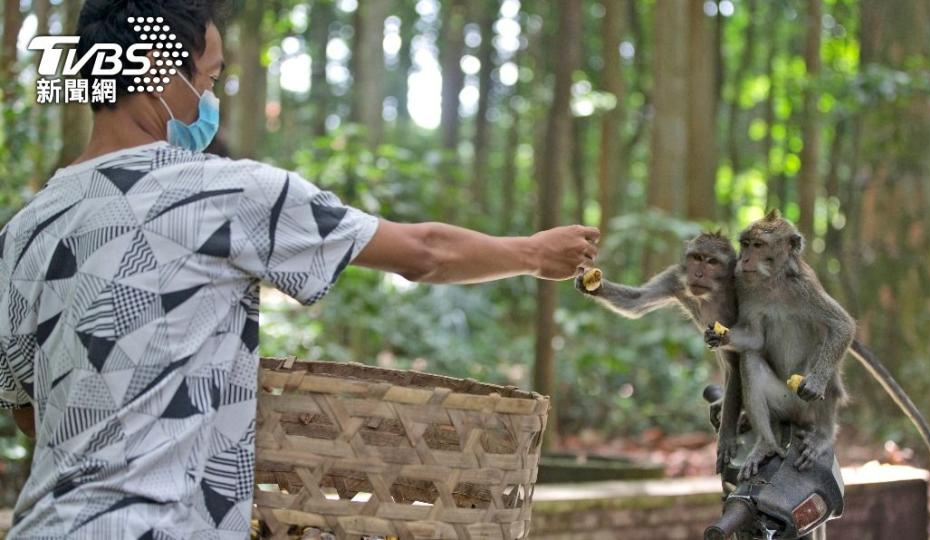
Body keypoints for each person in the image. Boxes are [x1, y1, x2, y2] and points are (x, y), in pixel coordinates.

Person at [0, 1, 599, 537]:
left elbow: (31, 412)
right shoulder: (220, 191)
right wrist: (532, 254)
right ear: (162, 75)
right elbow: (423, 252)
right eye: (208, 78)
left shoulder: (23, 232)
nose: (211, 98)